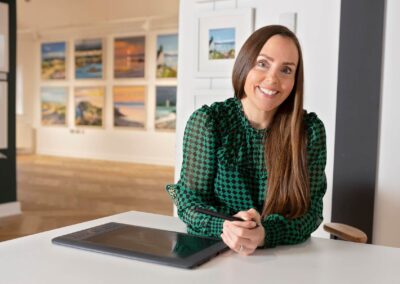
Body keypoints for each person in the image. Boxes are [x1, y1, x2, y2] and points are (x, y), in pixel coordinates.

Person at [166, 25, 327, 256]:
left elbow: (311, 213)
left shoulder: (309, 131)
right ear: (245, 64)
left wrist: (265, 233)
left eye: (286, 70)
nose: (272, 79)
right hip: (212, 253)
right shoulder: (209, 122)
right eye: (263, 63)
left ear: (295, 80)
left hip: (284, 259)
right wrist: (227, 226)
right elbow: (190, 201)